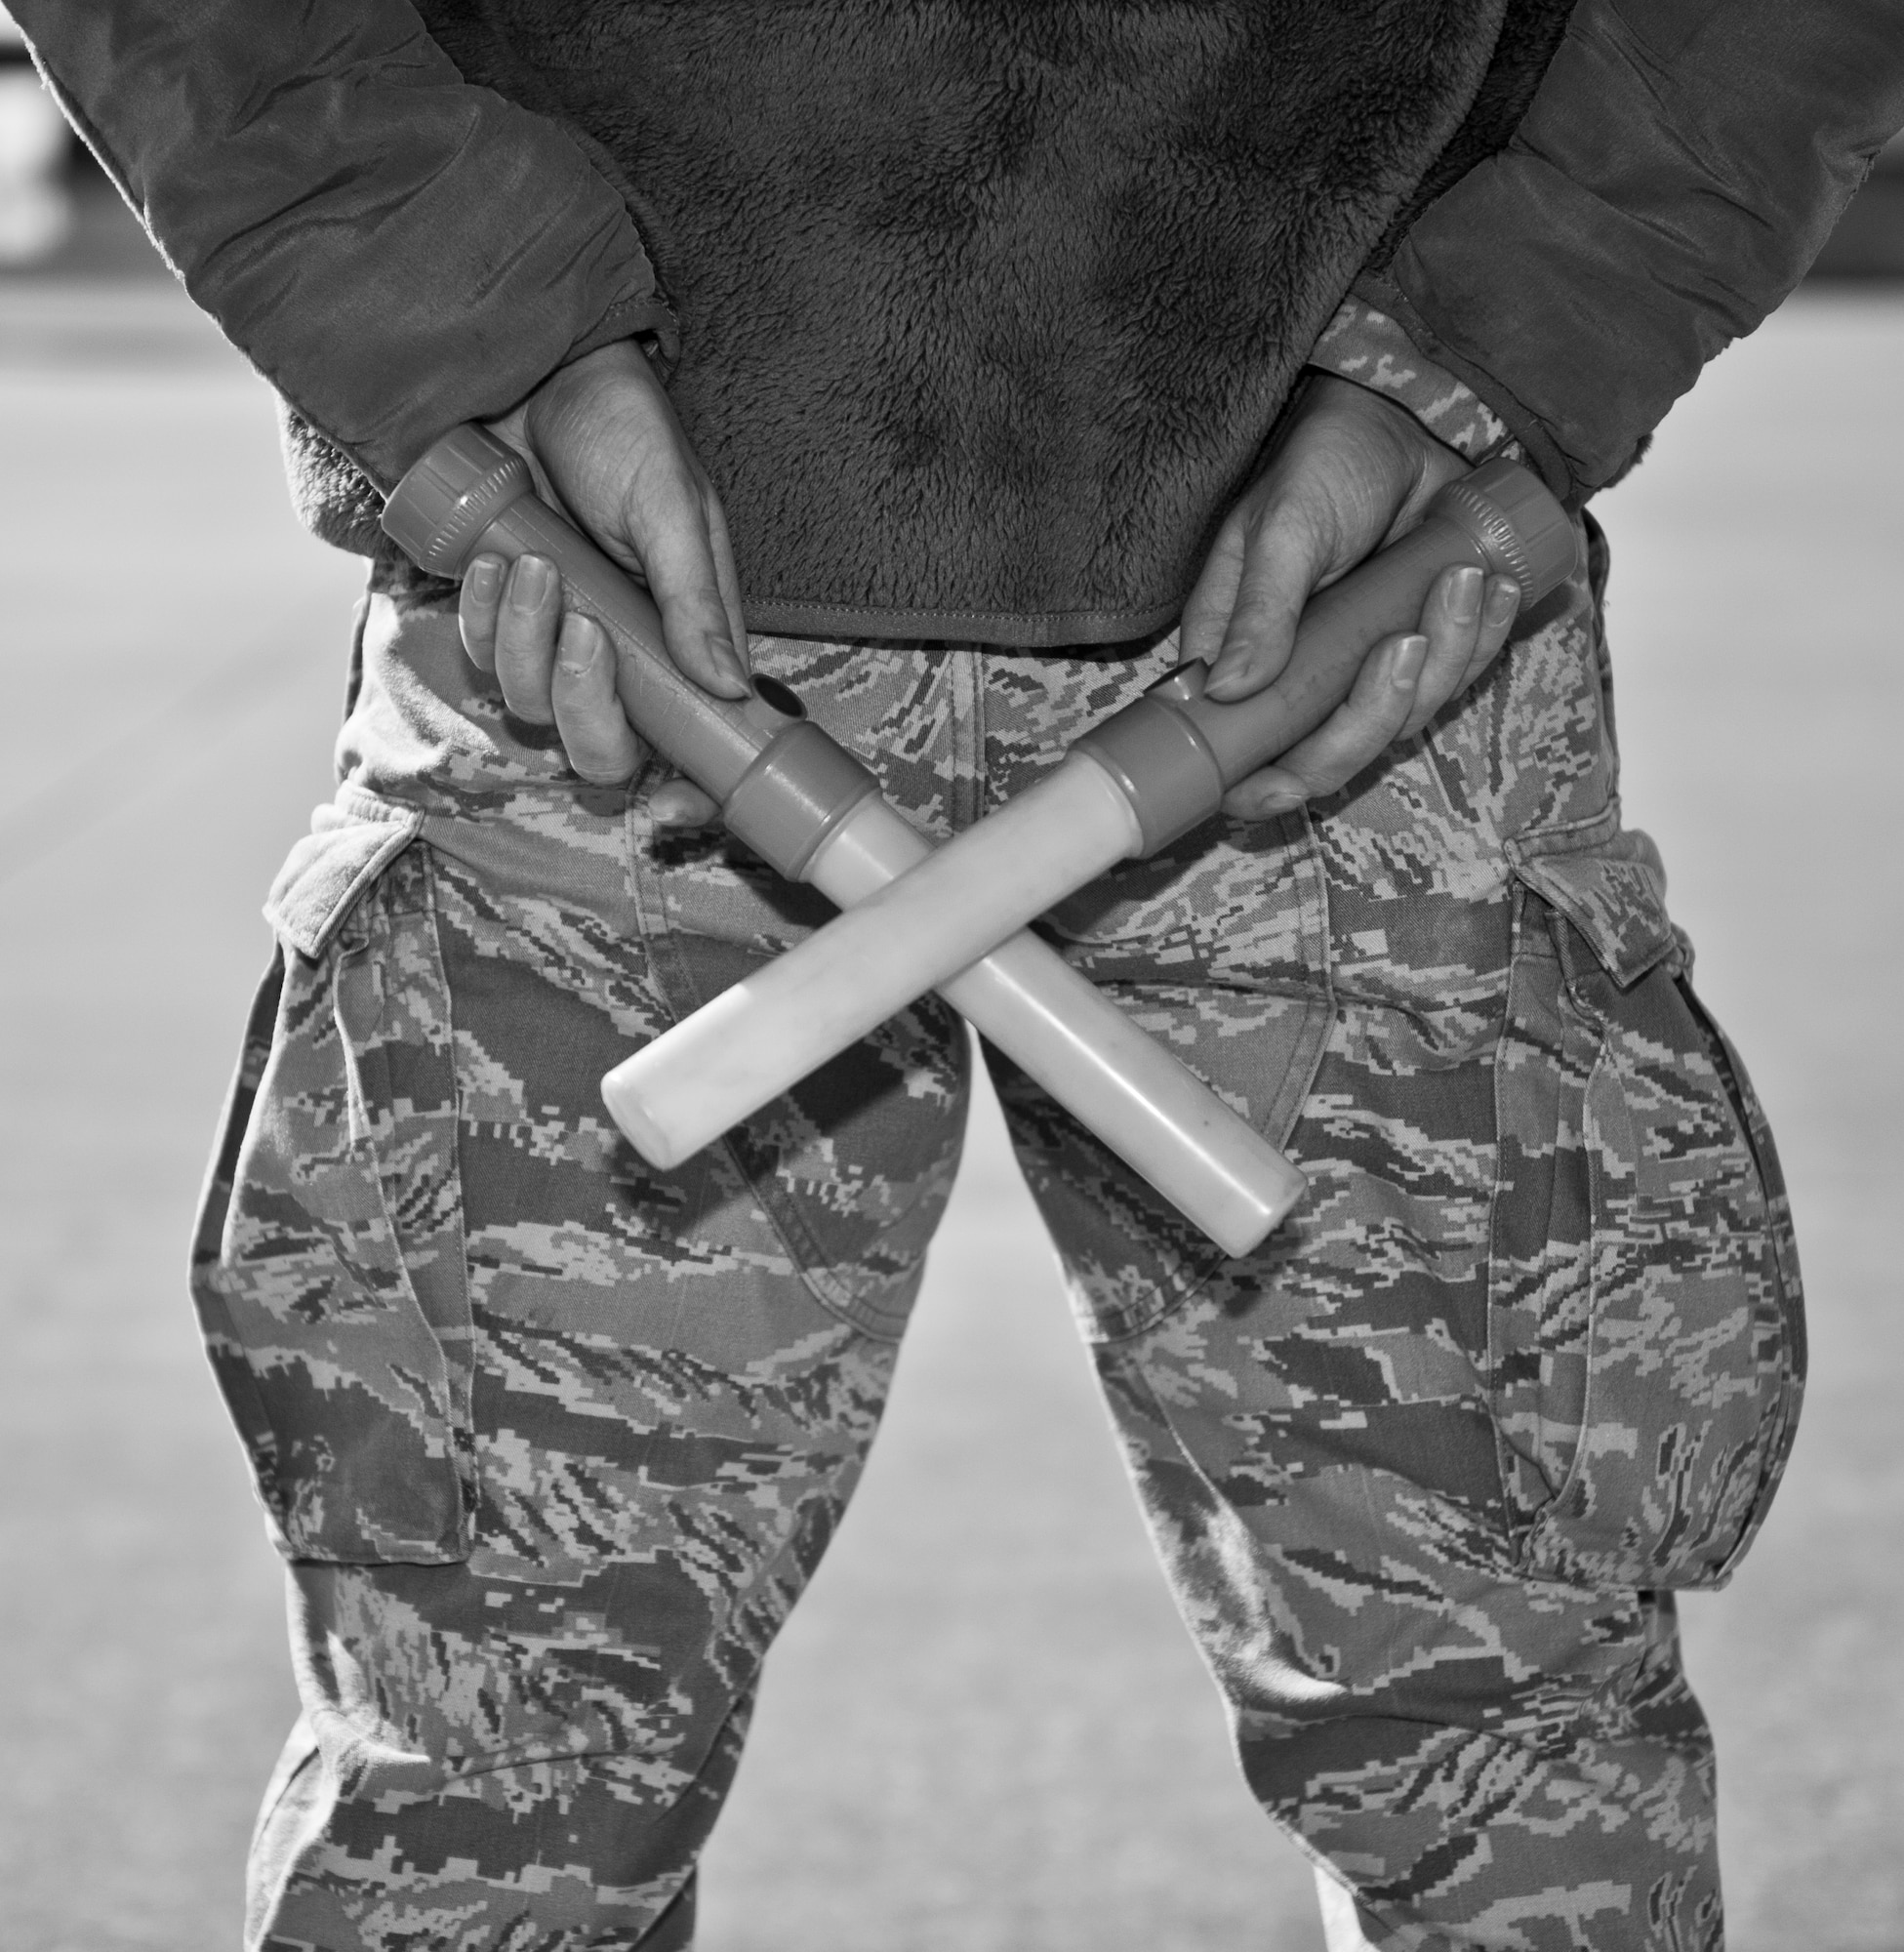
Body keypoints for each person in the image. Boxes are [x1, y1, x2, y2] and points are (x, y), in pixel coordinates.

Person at [15, 2, 1900, 1945]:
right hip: (595, 586)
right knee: (492, 1808)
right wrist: (448, 296)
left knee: (1516, 1791)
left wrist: (1523, 323)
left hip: (1344, 598)